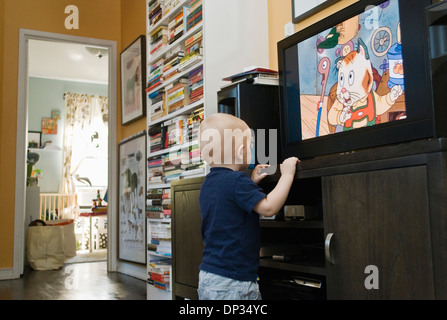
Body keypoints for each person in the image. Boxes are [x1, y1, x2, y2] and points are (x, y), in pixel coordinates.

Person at [197, 113, 299, 300]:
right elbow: (269, 207)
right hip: (234, 282)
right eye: (250, 147)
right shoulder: (237, 181)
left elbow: (230, 204)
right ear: (241, 151)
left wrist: (252, 182)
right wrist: (287, 174)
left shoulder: (209, 183)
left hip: (208, 277)